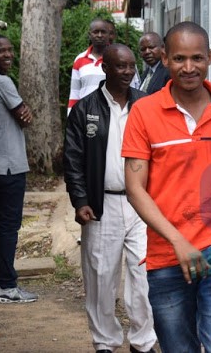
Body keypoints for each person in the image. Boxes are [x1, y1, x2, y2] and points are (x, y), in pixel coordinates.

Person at [122, 22, 211, 353]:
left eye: (197, 58)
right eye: (180, 58)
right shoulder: (144, 112)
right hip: (166, 255)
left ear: (210, 57)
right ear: (165, 58)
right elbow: (135, 188)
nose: (189, 67)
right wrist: (177, 241)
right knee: (178, 348)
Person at [64, 44, 157, 353]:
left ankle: (143, 342)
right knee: (101, 278)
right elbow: (73, 159)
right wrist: (80, 200)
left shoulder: (146, 105)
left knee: (143, 276)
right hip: (101, 205)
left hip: (142, 205)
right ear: (105, 68)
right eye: (121, 66)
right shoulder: (85, 109)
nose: (128, 72)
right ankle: (105, 341)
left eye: (131, 66)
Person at [0, 34, 38, 304]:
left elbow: (23, 113)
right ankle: (7, 286)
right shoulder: (2, 82)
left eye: (10, 50)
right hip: (9, 166)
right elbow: (24, 117)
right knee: (8, 226)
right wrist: (26, 111)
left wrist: (25, 111)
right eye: (1, 51)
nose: (8, 55)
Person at [68, 18, 140, 114]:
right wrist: (71, 116)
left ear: (109, 34)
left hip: (116, 112)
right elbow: (75, 93)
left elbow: (133, 88)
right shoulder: (79, 60)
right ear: (90, 35)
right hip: (86, 113)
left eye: (103, 32)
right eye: (96, 32)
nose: (99, 35)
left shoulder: (121, 57)